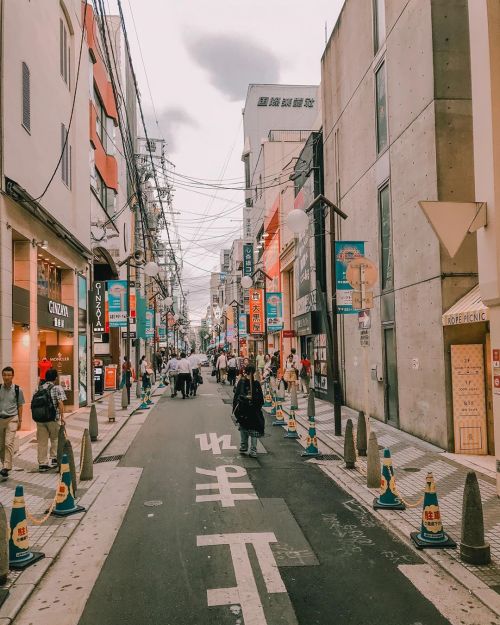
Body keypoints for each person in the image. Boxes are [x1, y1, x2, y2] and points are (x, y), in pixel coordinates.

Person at [36, 368, 66, 472]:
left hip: (40, 419)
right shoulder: (57, 388)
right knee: (55, 438)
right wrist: (62, 418)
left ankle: (42, 464)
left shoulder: (40, 388)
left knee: (42, 441)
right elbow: (60, 403)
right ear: (55, 378)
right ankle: (53, 459)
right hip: (53, 418)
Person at [233, 365, 264, 458]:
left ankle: (244, 446)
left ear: (245, 372)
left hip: (244, 411)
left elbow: (237, 396)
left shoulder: (241, 383)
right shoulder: (256, 384)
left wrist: (236, 410)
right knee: (254, 430)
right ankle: (253, 450)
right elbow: (261, 399)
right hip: (254, 411)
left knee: (243, 428)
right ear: (254, 372)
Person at [0, 366, 24, 480]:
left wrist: (20, 420)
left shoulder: (18, 390)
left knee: (8, 443)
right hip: (0, 419)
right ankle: (5, 465)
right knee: (1, 445)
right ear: (2, 376)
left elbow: (20, 405)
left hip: (12, 418)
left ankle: (6, 467)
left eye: (9, 375)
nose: (6, 377)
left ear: (13, 376)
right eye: (4, 375)